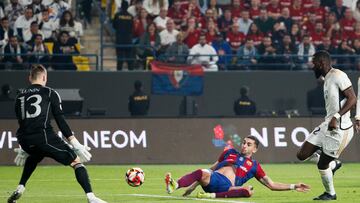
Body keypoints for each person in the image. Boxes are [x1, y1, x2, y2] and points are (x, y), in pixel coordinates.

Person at [7, 65, 107, 203]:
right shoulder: (50, 93)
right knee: (76, 162)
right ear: (44, 77)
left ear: (30, 78)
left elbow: (22, 121)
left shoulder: (19, 96)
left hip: (24, 138)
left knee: (35, 155)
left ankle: (20, 187)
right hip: (44, 137)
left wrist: (23, 147)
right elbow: (60, 120)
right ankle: (91, 197)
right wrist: (74, 142)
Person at [165, 136, 310, 199]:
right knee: (201, 171)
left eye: (248, 144)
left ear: (255, 150)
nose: (244, 145)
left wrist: (294, 186)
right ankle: (175, 185)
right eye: (243, 142)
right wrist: (193, 185)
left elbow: (271, 185)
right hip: (214, 180)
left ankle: (211, 196)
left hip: (227, 186)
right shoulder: (229, 152)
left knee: (249, 191)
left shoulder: (254, 166)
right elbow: (211, 169)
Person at [297, 51, 356, 200]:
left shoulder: (338, 75)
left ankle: (330, 193)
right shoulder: (327, 79)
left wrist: (336, 117)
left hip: (340, 129)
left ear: (321, 63)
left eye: (314, 63)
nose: (312, 67)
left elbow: (352, 98)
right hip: (327, 124)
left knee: (322, 164)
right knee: (302, 155)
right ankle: (333, 165)